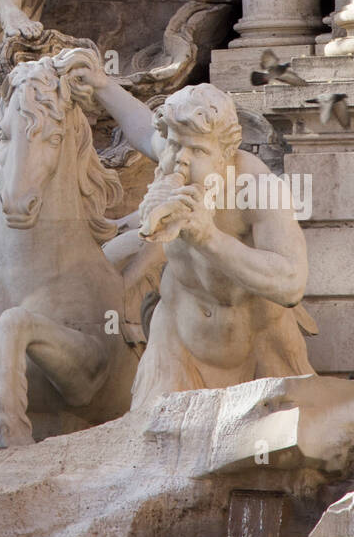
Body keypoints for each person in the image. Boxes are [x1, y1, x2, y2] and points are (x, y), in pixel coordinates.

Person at [55, 49, 315, 411]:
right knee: (150, 447)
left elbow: (291, 282)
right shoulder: (175, 152)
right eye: (174, 145)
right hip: (176, 344)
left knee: (278, 456)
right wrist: (101, 83)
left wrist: (208, 237)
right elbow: (142, 126)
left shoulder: (256, 187)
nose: (181, 159)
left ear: (226, 155)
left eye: (196, 150)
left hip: (258, 350)